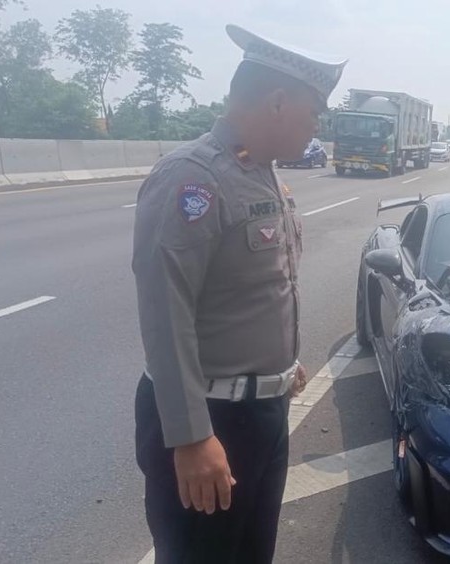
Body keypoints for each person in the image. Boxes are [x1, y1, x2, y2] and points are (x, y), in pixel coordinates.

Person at [132, 24, 345, 563]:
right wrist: (189, 437)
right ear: (277, 101)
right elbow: (165, 312)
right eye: (314, 110)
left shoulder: (264, 175)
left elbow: (261, 286)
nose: (318, 124)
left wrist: (280, 365)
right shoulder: (193, 178)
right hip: (209, 421)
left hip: (263, 414)